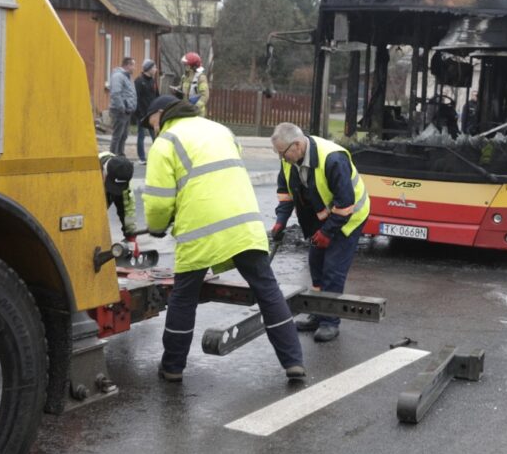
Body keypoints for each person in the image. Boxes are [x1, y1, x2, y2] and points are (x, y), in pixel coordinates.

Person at [140, 95, 304, 382]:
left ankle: (173, 367)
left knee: (183, 298)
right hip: (245, 224)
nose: (152, 128)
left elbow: (157, 201)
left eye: (151, 121)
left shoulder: (166, 142)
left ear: (162, 114)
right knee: (268, 291)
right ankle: (294, 363)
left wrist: (157, 227)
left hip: (201, 231)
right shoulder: (220, 130)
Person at [269, 122, 370, 343]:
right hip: (322, 215)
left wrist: (327, 233)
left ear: (296, 145)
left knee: (333, 269)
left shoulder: (333, 159)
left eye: (283, 153)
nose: (281, 159)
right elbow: (285, 193)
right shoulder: (289, 160)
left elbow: (345, 205)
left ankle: (330, 322)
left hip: (348, 218)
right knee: (316, 264)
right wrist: (280, 222)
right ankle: (317, 312)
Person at [98, 151, 136, 237]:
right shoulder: (90, 169)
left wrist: (131, 235)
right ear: (105, 171)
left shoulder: (124, 173)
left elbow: (128, 209)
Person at [108, 57, 136, 156]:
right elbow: (115, 93)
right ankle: (112, 157)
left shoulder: (127, 77)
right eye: (133, 65)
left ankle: (120, 155)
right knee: (117, 136)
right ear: (127, 65)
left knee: (123, 135)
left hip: (126, 111)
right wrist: (122, 108)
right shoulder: (118, 76)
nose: (134, 68)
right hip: (119, 111)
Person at [133, 59, 159, 165]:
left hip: (153, 113)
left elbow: (157, 96)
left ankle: (157, 156)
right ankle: (142, 157)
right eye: (154, 67)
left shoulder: (153, 81)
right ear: (148, 69)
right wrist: (140, 113)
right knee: (141, 136)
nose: (156, 69)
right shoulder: (139, 81)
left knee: (156, 136)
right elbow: (136, 98)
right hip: (143, 114)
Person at [175, 52, 209, 116]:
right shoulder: (184, 77)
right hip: (186, 110)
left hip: (197, 113)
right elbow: (182, 87)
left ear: (192, 66)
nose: (185, 66)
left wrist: (195, 107)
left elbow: (205, 95)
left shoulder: (201, 78)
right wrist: (177, 89)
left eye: (186, 64)